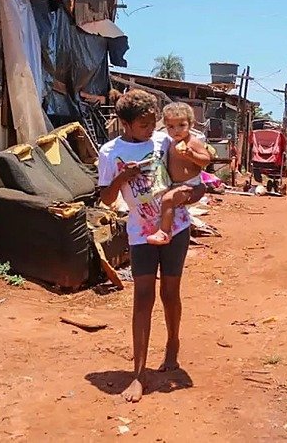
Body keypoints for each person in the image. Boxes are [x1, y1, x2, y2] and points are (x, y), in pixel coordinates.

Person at [97, 90, 205, 403]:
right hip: (140, 231)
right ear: (125, 124)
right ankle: (139, 374)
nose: (150, 129)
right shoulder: (109, 151)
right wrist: (122, 177)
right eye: (143, 124)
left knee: (170, 292)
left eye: (151, 122)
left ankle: (172, 343)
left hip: (176, 227)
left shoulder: (165, 142)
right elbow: (105, 197)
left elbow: (194, 181)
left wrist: (183, 195)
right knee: (142, 297)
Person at [146, 102, 212, 245]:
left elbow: (206, 160)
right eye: (171, 126)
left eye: (181, 125)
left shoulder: (192, 142)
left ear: (191, 124)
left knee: (168, 200)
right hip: (175, 184)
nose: (176, 130)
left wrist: (191, 154)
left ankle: (164, 232)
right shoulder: (170, 142)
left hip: (189, 185)